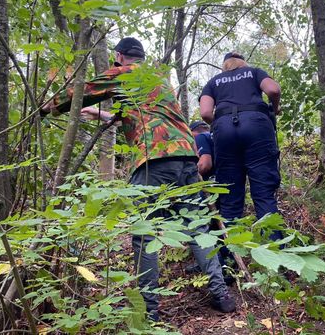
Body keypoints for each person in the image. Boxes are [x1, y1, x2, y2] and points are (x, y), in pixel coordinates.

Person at [42, 37, 235, 321]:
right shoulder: (159, 81)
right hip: (186, 156)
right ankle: (221, 295)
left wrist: (46, 108)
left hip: (153, 160)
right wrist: (101, 114)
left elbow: (81, 91)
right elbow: (145, 115)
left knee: (144, 235)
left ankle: (150, 311)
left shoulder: (123, 73)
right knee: (198, 228)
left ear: (119, 57)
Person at [199, 52, 282, 239]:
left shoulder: (214, 81)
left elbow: (205, 112)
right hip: (257, 128)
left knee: (229, 196)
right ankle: (275, 255)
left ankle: (230, 258)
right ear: (242, 62)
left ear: (225, 65)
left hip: (224, 132)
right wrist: (274, 109)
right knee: (263, 193)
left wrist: (221, 122)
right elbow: (273, 90)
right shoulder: (254, 72)